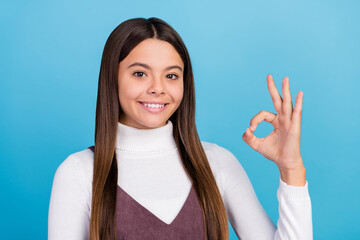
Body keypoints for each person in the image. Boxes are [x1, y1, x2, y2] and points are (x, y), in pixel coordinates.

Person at [48, 17, 312, 240]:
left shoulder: (217, 163)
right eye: (140, 73)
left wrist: (292, 169)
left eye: (171, 75)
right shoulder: (79, 173)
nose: (158, 88)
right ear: (112, 78)